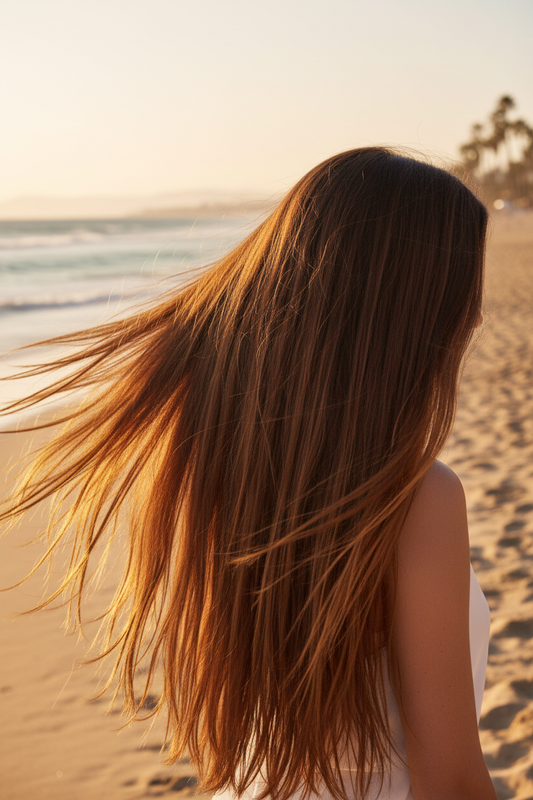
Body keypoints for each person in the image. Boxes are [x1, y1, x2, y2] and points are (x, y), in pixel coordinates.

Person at [1, 147, 496, 800]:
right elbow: (452, 782)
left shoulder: (214, 468)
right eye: (462, 289)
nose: (477, 314)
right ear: (405, 315)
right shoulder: (418, 500)